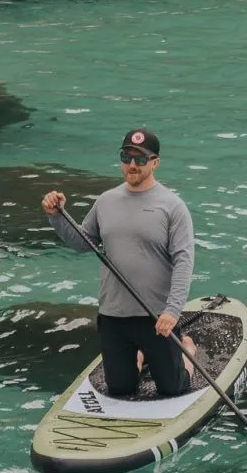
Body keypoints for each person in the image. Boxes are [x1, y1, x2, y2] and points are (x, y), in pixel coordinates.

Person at [40, 129, 197, 399]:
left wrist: (172, 311)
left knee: (174, 388)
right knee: (120, 389)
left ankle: (189, 350)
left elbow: (184, 261)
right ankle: (139, 354)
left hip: (156, 317)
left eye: (141, 159)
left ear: (155, 162)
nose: (132, 165)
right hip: (113, 316)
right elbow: (81, 243)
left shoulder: (173, 206)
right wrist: (57, 217)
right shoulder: (106, 201)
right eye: (126, 157)